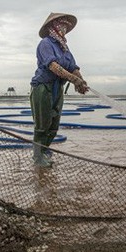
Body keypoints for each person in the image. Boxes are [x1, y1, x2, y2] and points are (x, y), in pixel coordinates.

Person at [30, 13, 89, 167]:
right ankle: (38, 158)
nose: (65, 28)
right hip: (43, 88)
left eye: (66, 26)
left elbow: (73, 67)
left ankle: (45, 150)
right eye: (62, 24)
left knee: (54, 126)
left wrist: (80, 81)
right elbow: (53, 66)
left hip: (58, 88)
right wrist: (73, 79)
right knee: (43, 125)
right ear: (53, 26)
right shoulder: (46, 43)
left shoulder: (64, 48)